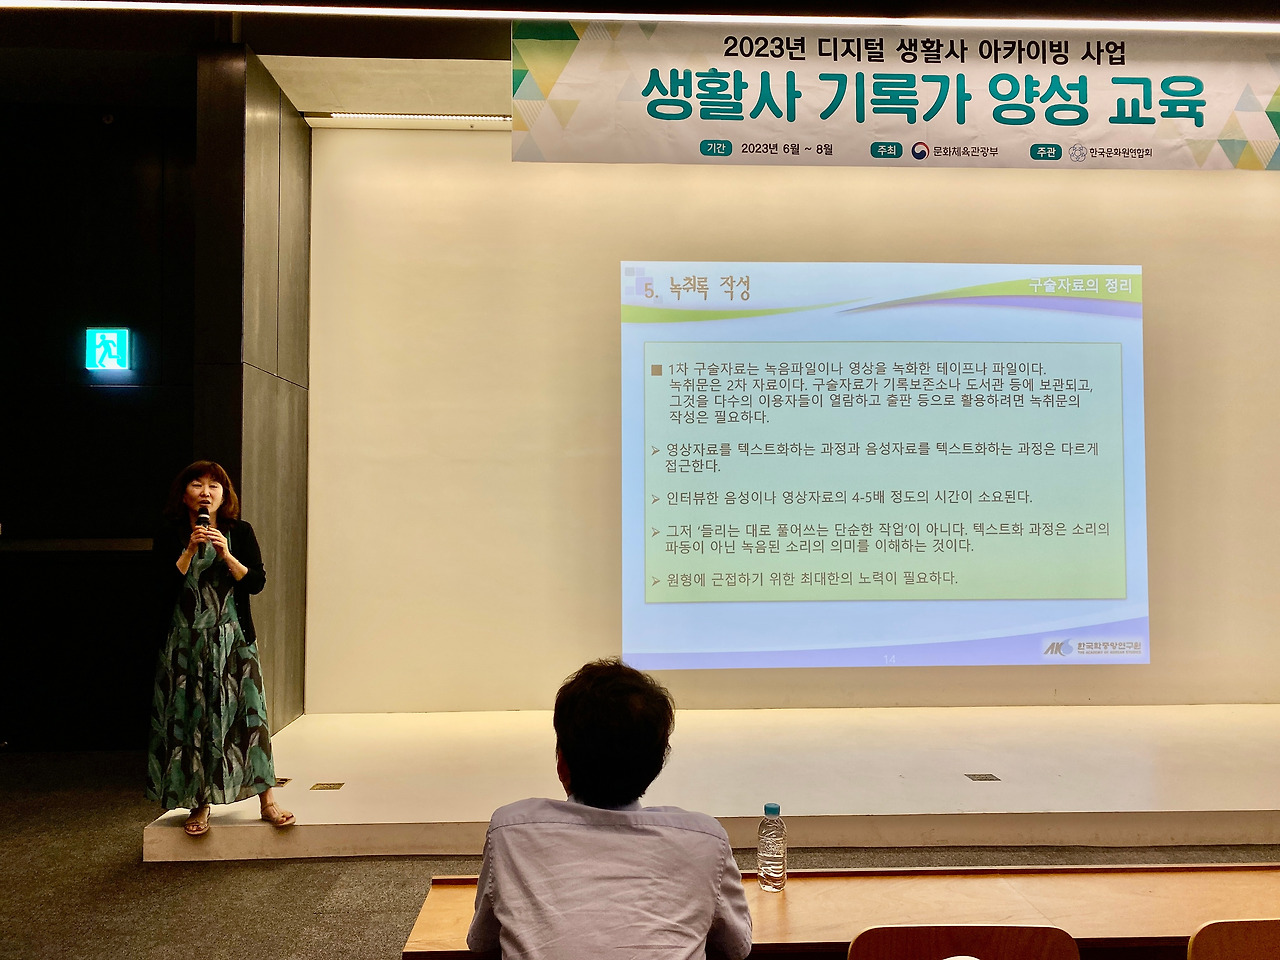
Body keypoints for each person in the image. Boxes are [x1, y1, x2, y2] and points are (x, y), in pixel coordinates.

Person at [467, 658, 752, 960]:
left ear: (562, 762)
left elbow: (481, 940)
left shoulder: (509, 832)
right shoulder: (706, 841)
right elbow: (738, 946)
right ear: (656, 765)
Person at [145, 460, 294, 836]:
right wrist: (188, 551)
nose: (206, 492)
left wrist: (227, 554)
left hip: (233, 641)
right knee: (194, 723)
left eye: (214, 486)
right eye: (197, 484)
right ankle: (199, 803)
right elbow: (159, 588)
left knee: (249, 720)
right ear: (184, 495)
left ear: (224, 495)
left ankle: (267, 800)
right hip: (185, 643)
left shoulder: (239, 532)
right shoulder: (170, 534)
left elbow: (256, 582)